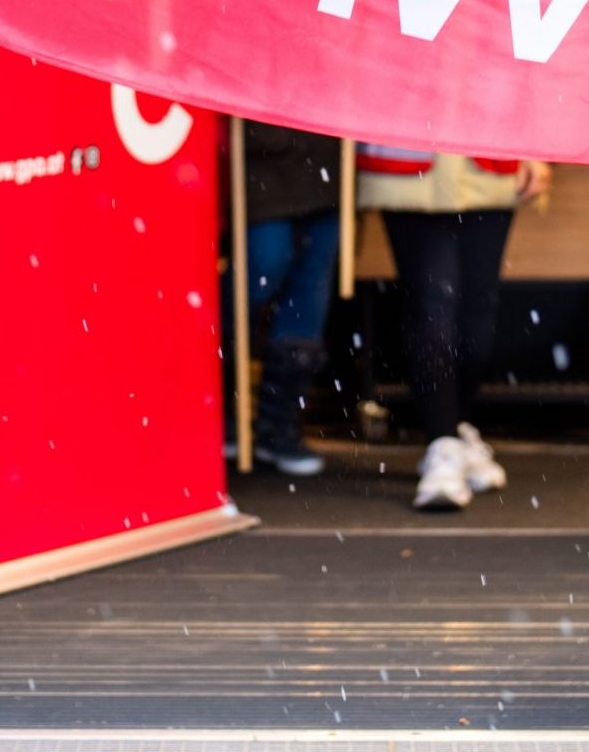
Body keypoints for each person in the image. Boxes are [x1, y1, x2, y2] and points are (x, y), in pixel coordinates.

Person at [356, 145, 550, 511]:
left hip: (491, 154)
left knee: (477, 309)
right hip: (410, 152)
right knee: (431, 303)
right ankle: (442, 440)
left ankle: (455, 432)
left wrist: (536, 147)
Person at [224, 120, 341, 477]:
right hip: (261, 146)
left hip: (324, 146)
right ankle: (217, 397)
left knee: (310, 281)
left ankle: (279, 420)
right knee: (263, 267)